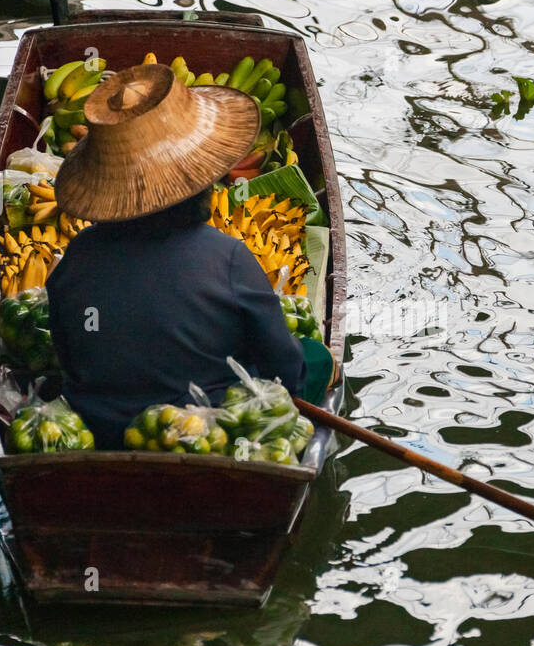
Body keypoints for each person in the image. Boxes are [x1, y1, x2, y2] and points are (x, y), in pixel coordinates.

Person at [46, 62, 333, 449]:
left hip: (101, 426)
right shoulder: (227, 256)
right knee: (315, 357)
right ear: (201, 182)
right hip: (205, 432)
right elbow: (287, 372)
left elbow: (67, 356)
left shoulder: (76, 257)